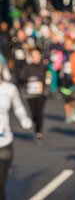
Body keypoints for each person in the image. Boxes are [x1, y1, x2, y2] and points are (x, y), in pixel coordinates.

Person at [0, 63, 33, 200]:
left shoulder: (10, 89)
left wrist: (24, 118)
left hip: (4, 142)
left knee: (0, 182)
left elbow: (18, 107)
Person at [21, 48, 48, 141]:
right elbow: (22, 77)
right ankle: (36, 126)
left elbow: (48, 77)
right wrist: (29, 81)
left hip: (41, 94)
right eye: (33, 55)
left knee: (39, 112)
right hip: (30, 94)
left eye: (37, 55)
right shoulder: (27, 66)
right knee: (33, 114)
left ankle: (38, 131)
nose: (35, 57)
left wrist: (44, 83)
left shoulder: (44, 66)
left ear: (40, 56)